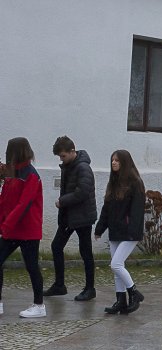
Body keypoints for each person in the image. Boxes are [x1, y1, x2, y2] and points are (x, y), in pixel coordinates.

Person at [44, 136, 97, 301]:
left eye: (63, 156)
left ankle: (90, 288)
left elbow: (82, 192)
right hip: (69, 216)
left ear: (72, 151)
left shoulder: (83, 168)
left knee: (85, 251)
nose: (61, 159)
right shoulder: (68, 166)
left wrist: (62, 201)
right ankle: (60, 285)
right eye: (60, 156)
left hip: (82, 217)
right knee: (56, 246)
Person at [94, 150, 146, 314]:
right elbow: (106, 208)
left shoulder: (135, 183)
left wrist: (133, 231)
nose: (114, 163)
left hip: (129, 233)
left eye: (117, 160)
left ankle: (134, 292)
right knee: (117, 268)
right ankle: (120, 300)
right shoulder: (113, 183)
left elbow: (137, 211)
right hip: (115, 232)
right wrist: (99, 228)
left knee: (115, 264)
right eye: (112, 160)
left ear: (125, 163)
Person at [0, 138, 45, 318]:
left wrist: (5, 225)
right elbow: (5, 201)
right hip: (12, 230)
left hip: (28, 230)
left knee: (32, 266)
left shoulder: (31, 175)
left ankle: (39, 305)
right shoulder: (12, 173)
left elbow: (23, 205)